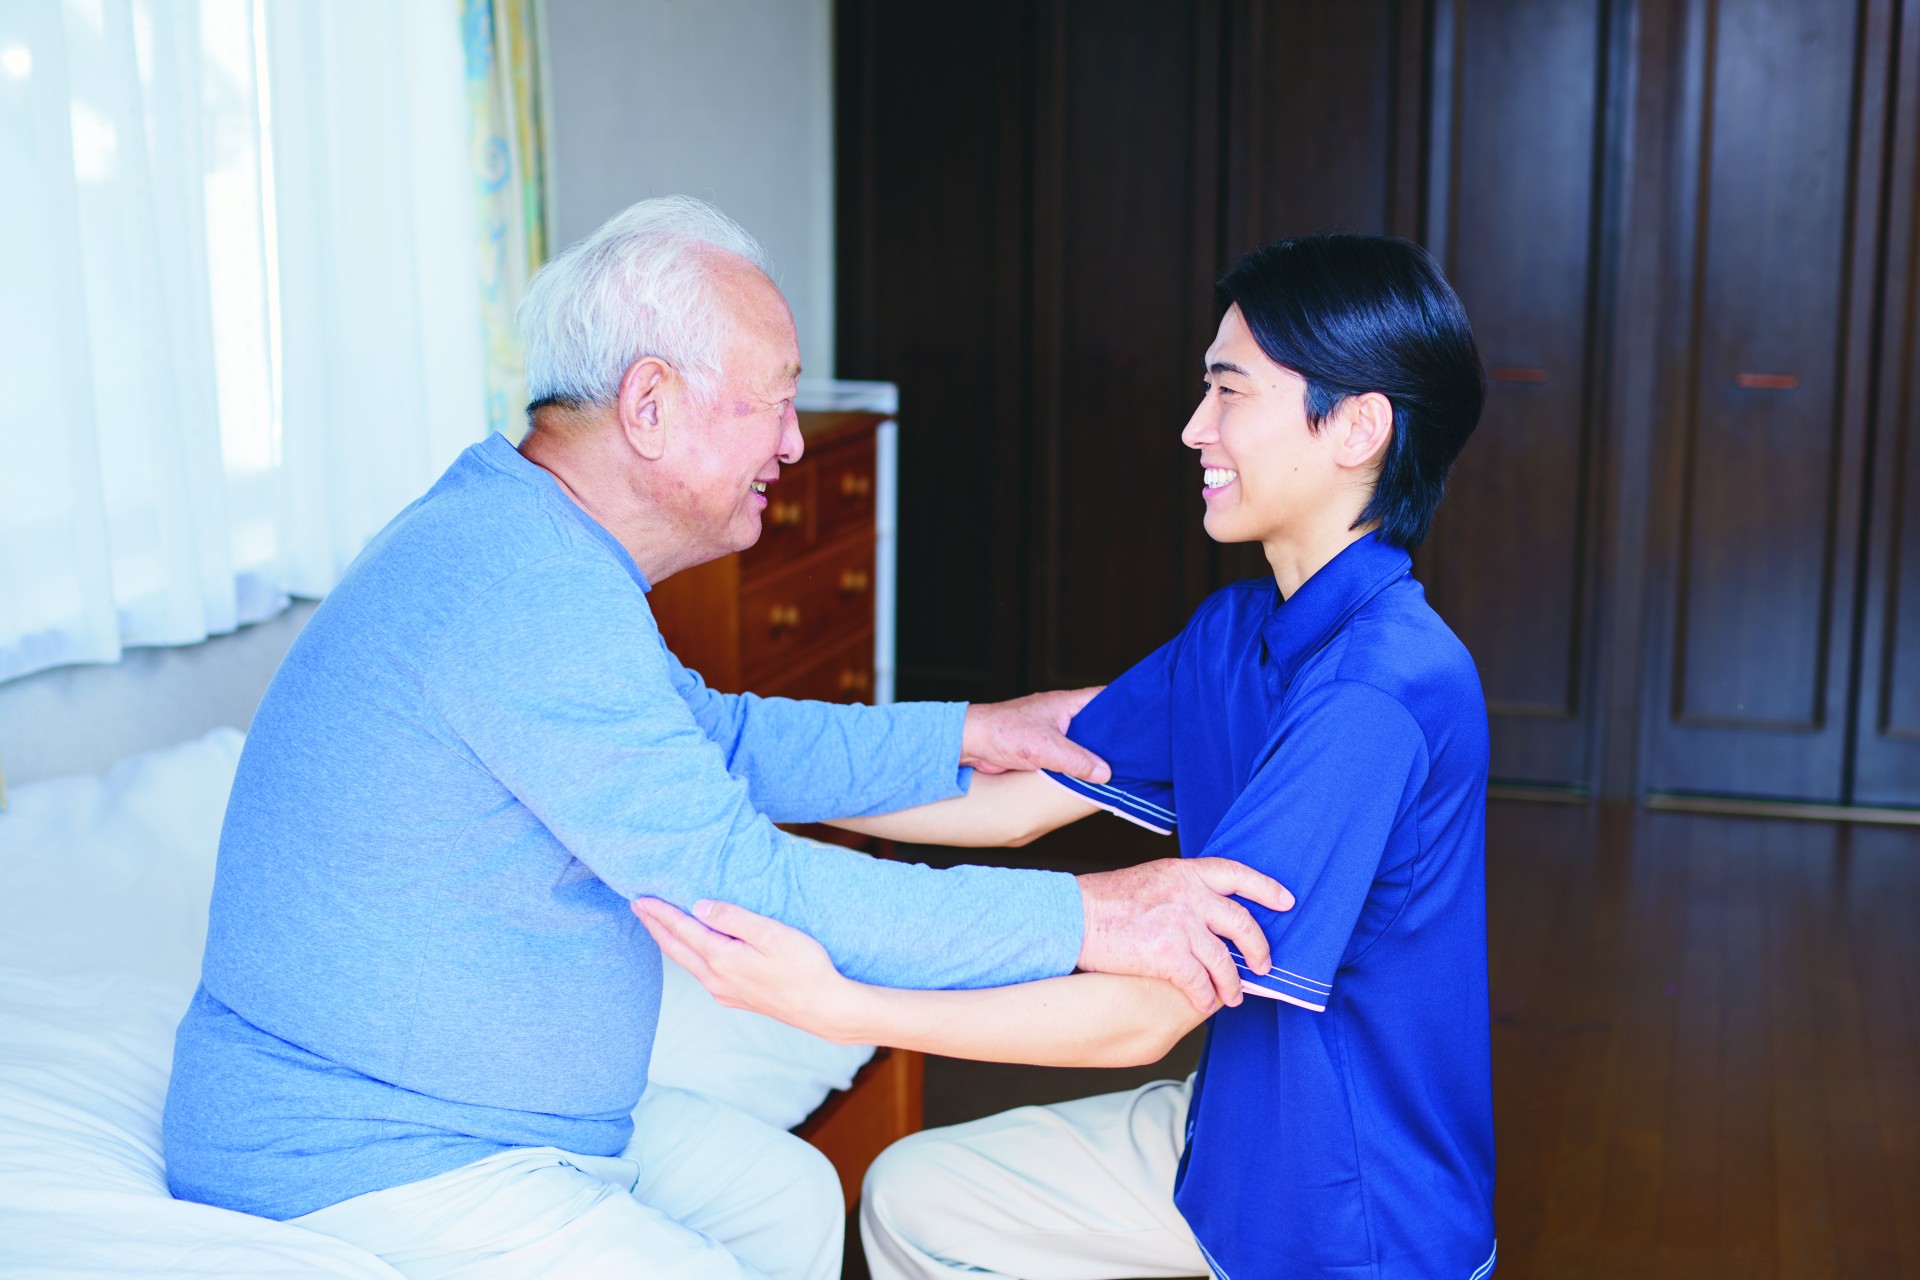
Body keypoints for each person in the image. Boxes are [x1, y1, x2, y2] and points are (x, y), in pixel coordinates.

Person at [160, 197, 1292, 1280]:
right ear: (649, 405)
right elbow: (745, 886)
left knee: (788, 1198)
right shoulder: (522, 592)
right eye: (775, 401)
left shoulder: (532, 541)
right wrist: (1093, 914)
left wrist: (971, 728)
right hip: (374, 1151)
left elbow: (722, 739)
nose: (795, 442)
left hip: (512, 1116)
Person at [639, 233, 1496, 1280]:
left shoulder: (1379, 696)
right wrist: (702, 761)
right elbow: (1012, 796)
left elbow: (1149, 1011)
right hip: (1231, 1139)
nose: (1194, 427)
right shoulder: (1238, 634)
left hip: (1349, 1219)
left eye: (1230, 391)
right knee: (917, 1201)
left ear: (1359, 426)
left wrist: (838, 1003)